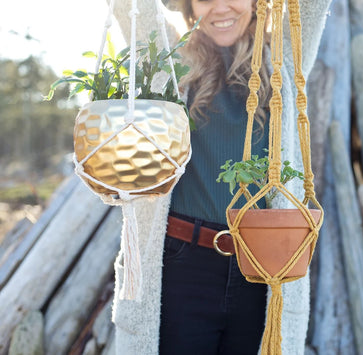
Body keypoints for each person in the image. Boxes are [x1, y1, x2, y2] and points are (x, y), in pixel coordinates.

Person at [109, 0, 331, 354]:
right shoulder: (171, 57)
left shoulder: (284, 59)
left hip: (261, 268)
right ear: (189, 7)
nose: (220, 7)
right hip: (179, 267)